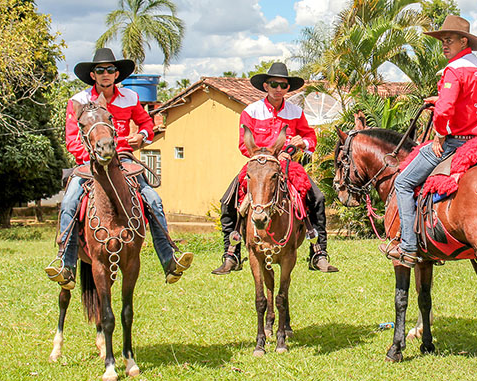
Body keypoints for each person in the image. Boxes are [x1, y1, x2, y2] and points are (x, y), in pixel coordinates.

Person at [45, 48, 194, 289]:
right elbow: (72, 140)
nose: (106, 73)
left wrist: (142, 136)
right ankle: (66, 263)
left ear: (116, 74)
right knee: (70, 201)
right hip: (90, 162)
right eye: (100, 70)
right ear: (93, 75)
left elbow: (147, 124)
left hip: (123, 159)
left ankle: (169, 259)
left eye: (110, 69)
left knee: (153, 199)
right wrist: (93, 157)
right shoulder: (79, 101)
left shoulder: (130, 98)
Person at [384, 15, 477, 265]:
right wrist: (442, 99)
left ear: (464, 41)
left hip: (456, 143)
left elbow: (445, 112)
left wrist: (440, 133)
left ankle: (408, 246)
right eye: (443, 41)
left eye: (449, 40)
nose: (444, 45)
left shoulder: (454, 70)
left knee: (403, 182)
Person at [211, 62, 338, 274]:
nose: (278, 89)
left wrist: (301, 143)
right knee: (228, 201)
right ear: (265, 86)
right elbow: (243, 144)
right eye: (274, 84)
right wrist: (265, 155)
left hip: (289, 165)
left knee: (317, 198)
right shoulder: (251, 111)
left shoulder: (296, 112)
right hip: (258, 165)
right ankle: (231, 253)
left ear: (288, 88)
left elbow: (310, 138)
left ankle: (318, 253)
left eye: (283, 85)